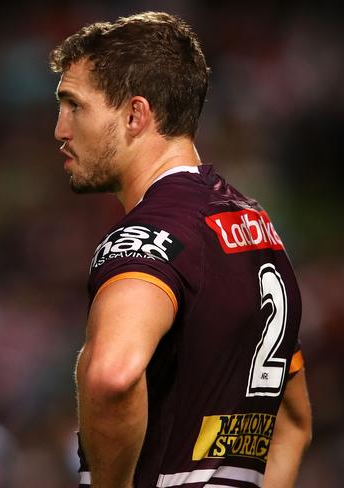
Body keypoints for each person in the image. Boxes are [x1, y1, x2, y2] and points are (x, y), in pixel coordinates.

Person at [50, 11, 312, 488]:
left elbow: (113, 375)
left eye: (74, 106)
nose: (60, 131)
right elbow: (293, 424)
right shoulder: (257, 229)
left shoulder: (151, 234)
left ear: (135, 115)